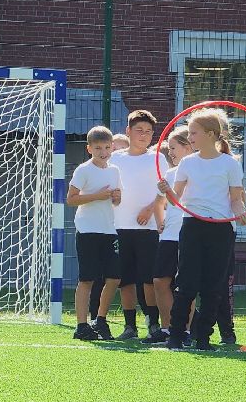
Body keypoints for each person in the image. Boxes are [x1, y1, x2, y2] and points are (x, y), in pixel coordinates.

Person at [166, 107, 246, 351]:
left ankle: (204, 338)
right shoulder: (187, 163)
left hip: (221, 228)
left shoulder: (230, 164)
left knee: (214, 286)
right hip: (192, 225)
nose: (189, 137)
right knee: (187, 283)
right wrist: (167, 191)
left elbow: (235, 199)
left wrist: (242, 213)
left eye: (194, 132)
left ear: (211, 134)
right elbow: (175, 199)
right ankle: (176, 336)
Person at [110, 110, 165, 341]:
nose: (144, 135)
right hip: (119, 226)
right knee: (125, 280)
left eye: (149, 131)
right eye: (139, 130)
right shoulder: (115, 158)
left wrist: (150, 209)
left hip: (149, 228)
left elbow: (166, 191)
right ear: (128, 131)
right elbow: (108, 187)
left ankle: (153, 324)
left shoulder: (158, 159)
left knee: (148, 279)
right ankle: (130, 326)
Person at [66, 125, 122, 342]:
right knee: (87, 279)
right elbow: (71, 199)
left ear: (112, 147)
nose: (103, 152)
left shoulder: (114, 170)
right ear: (89, 149)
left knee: (115, 277)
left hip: (109, 229)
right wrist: (97, 196)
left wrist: (116, 198)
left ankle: (100, 319)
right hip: (88, 229)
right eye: (98, 148)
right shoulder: (83, 170)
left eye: (107, 147)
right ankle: (81, 326)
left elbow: (116, 200)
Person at [148, 124, 192, 345]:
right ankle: (167, 328)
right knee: (159, 280)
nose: (170, 153)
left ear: (188, 147)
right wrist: (160, 223)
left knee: (186, 285)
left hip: (189, 235)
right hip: (168, 236)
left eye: (174, 148)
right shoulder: (170, 173)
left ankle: (186, 330)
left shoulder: (197, 171)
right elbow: (159, 202)